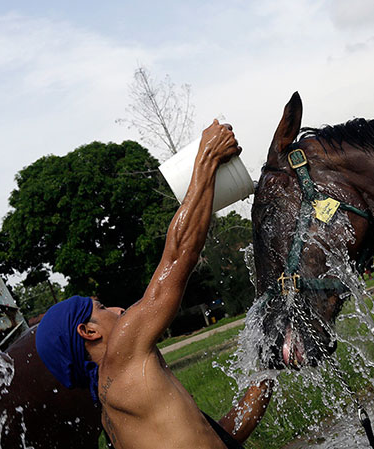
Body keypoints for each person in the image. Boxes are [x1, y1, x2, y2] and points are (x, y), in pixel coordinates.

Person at [36, 120, 273, 448]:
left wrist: (265, 374)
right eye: (101, 308)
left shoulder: (113, 415)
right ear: (88, 332)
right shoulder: (121, 357)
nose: (119, 309)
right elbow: (178, 258)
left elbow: (219, 438)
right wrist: (207, 157)